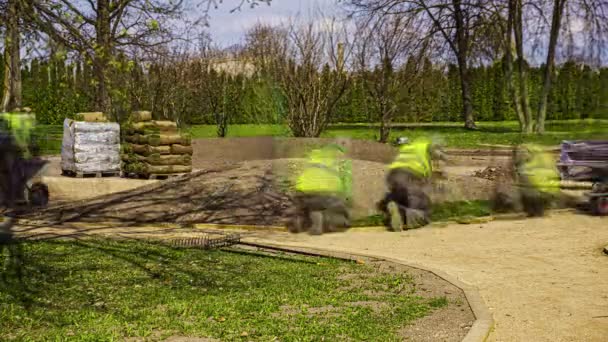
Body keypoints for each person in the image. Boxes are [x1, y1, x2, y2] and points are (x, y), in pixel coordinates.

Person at [378, 137, 445, 231]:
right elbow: (437, 150)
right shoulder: (423, 145)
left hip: (393, 175)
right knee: (424, 209)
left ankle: (394, 207)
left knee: (402, 198)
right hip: (411, 175)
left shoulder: (403, 151)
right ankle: (406, 216)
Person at [288, 144, 351, 235]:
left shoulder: (312, 157)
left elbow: (300, 171)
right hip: (326, 188)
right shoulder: (334, 161)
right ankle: (317, 227)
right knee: (317, 207)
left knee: (309, 206)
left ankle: (307, 225)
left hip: (305, 187)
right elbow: (344, 177)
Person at [514, 144, 561, 217]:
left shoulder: (534, 162)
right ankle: (537, 210)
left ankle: (537, 210)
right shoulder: (541, 158)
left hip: (541, 189)